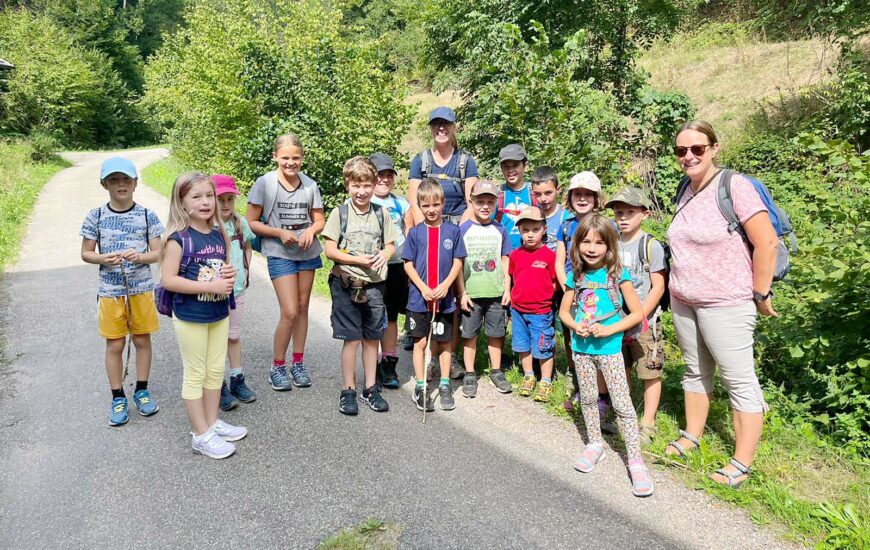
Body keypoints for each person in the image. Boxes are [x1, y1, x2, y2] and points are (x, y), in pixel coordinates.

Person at [665, 120, 778, 488]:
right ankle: (692, 436)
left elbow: (767, 242)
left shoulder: (734, 186)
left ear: (714, 148)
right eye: (681, 150)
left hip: (725, 302)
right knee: (695, 372)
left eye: (697, 148)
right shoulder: (685, 188)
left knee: (738, 380)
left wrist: (760, 292)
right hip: (684, 300)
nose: (689, 156)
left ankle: (741, 463)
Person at [558, 214, 653, 497]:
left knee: (622, 404)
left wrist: (609, 329)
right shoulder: (576, 276)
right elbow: (564, 312)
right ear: (577, 244)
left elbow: (637, 313)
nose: (591, 248)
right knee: (588, 398)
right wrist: (575, 326)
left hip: (610, 351)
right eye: (586, 241)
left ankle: (635, 460)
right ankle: (595, 444)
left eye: (599, 243)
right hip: (581, 350)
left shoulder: (618, 276)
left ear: (610, 246)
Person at [160, 172, 247, 459]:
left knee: (215, 370)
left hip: (218, 312)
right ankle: (200, 434)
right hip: (191, 315)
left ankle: (211, 422)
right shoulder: (178, 239)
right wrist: (209, 286)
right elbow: (169, 280)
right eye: (196, 197)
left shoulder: (219, 234)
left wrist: (228, 273)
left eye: (209, 196)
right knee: (195, 373)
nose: (206, 202)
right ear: (182, 203)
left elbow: (221, 268)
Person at [80, 156, 164, 426]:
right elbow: (86, 253)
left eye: (126, 179)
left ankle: (142, 390)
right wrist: (103, 258)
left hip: (141, 290)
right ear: (104, 184)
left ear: (135, 183)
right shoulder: (95, 216)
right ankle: (117, 396)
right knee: (115, 343)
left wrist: (140, 257)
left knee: (141, 340)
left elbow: (158, 252)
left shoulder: (147, 216)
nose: (121, 184)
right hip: (110, 292)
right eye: (114, 180)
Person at [246, 133, 325, 391]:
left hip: (307, 253)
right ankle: (277, 366)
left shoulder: (310, 185)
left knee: (303, 308)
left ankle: (298, 363)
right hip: (279, 251)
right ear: (275, 157)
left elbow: (319, 220)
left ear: (302, 158)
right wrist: (279, 233)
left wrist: (312, 230)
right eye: (285, 158)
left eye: (296, 158)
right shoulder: (265, 183)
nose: (291, 163)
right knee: (289, 311)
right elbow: (251, 222)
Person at [408, 107, 480, 377]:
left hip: (456, 230)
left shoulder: (465, 161)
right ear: (430, 128)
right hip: (427, 230)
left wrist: (453, 233)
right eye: (436, 124)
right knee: (426, 289)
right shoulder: (421, 160)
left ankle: (449, 353)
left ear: (453, 127)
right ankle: (426, 350)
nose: (441, 128)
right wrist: (424, 233)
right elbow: (414, 200)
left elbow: (472, 201)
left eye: (446, 124)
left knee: (453, 295)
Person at [322, 156, 397, 416]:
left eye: (366, 185)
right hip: (345, 283)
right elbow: (330, 250)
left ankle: (370, 388)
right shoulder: (340, 213)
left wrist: (385, 254)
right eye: (356, 186)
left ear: (374, 184)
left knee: (372, 337)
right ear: (347, 186)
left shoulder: (381, 213)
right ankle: (348, 390)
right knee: (351, 339)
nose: (362, 191)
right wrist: (357, 260)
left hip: (375, 285)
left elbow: (390, 245)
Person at [606, 187, 667, 445]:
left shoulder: (650, 245)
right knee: (621, 368)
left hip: (645, 323)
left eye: (630, 212)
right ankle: (624, 414)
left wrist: (640, 316)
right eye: (619, 212)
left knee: (650, 371)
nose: (623, 218)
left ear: (645, 214)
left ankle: (648, 422)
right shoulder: (611, 242)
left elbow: (658, 286)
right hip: (615, 320)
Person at [403, 179, 466, 412]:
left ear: (443, 203)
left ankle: (445, 384)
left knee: (444, 343)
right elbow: (408, 264)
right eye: (426, 205)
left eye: (436, 204)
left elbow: (458, 261)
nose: (431, 210)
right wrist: (422, 287)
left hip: (445, 300)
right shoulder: (415, 233)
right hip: (419, 299)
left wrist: (446, 285)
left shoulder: (453, 231)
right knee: (420, 342)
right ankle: (420, 387)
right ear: (419, 206)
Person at [455, 180, 513, 397]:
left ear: (496, 203)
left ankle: (496, 371)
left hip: (496, 292)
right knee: (469, 335)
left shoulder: (500, 229)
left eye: (490, 202)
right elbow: (458, 263)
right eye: (480, 202)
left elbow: (505, 259)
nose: (485, 206)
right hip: (471, 293)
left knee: (496, 334)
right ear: (471, 201)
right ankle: (470, 373)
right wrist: (462, 292)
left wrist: (507, 289)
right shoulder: (463, 230)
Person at [554, 171, 606, 412]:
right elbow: (560, 261)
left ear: (596, 198)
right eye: (577, 194)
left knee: (597, 339)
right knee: (575, 337)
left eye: (588, 194)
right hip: (571, 290)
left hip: (596, 292)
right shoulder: (566, 226)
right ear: (570, 197)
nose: (582, 199)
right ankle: (581, 386)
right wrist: (569, 289)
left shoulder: (605, 225)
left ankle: (602, 396)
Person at [368, 152, 412, 389]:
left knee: (392, 316)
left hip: (396, 268)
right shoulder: (363, 199)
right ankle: (370, 364)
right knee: (373, 316)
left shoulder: (401, 204)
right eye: (379, 175)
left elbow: (410, 233)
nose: (384, 179)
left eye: (388, 175)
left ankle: (388, 362)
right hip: (371, 269)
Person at [214, 175, 257, 411]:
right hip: (213, 293)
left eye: (230, 199)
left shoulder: (240, 223)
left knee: (233, 335)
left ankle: (237, 379)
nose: (225, 204)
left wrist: (245, 271)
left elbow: (247, 247)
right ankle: (217, 384)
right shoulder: (208, 226)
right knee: (216, 339)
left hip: (237, 291)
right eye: (220, 199)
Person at [509, 207, 558, 402]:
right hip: (518, 310)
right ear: (519, 231)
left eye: (535, 230)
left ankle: (545, 381)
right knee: (522, 345)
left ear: (544, 229)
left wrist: (544, 295)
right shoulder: (515, 255)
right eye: (525, 230)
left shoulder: (549, 256)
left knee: (543, 346)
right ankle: (528, 375)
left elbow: (555, 282)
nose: (530, 234)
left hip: (540, 311)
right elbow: (513, 277)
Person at [493, 143, 535, 251]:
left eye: (515, 165)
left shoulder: (535, 193)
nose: (510, 170)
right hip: (504, 255)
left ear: (525, 166)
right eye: (506, 166)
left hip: (530, 254)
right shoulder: (497, 195)